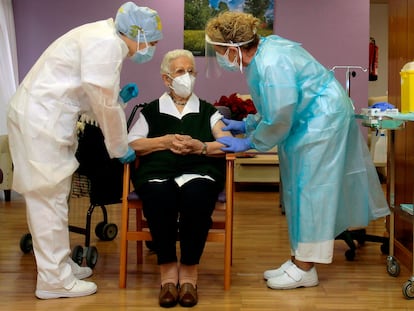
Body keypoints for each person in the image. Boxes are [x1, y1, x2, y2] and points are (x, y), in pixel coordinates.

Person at [205, 11, 390, 290]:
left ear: (234, 49)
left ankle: (306, 268)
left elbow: (280, 114)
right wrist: (248, 124)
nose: (220, 57)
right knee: (295, 189)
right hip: (307, 122)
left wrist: (251, 141)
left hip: (321, 122)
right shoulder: (263, 56)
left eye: (220, 51)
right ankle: (298, 259)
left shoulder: (271, 62)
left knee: (311, 191)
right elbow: (271, 106)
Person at [7, 2, 162, 299]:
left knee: (55, 199)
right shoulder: (106, 45)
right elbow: (102, 103)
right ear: (137, 35)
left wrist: (117, 98)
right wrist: (120, 147)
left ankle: (60, 266)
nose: (149, 50)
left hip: (42, 119)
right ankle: (54, 281)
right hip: (40, 123)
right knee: (48, 199)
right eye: (151, 43)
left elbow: (91, 94)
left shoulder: (100, 36)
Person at [127, 49, 231, 307]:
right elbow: (131, 144)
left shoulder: (208, 111)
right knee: (160, 197)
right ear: (166, 79)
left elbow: (227, 143)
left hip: (200, 172)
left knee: (197, 196)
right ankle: (167, 274)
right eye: (180, 72)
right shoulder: (151, 111)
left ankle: (189, 274)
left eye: (191, 71)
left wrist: (201, 146)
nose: (187, 76)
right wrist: (162, 141)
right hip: (158, 173)